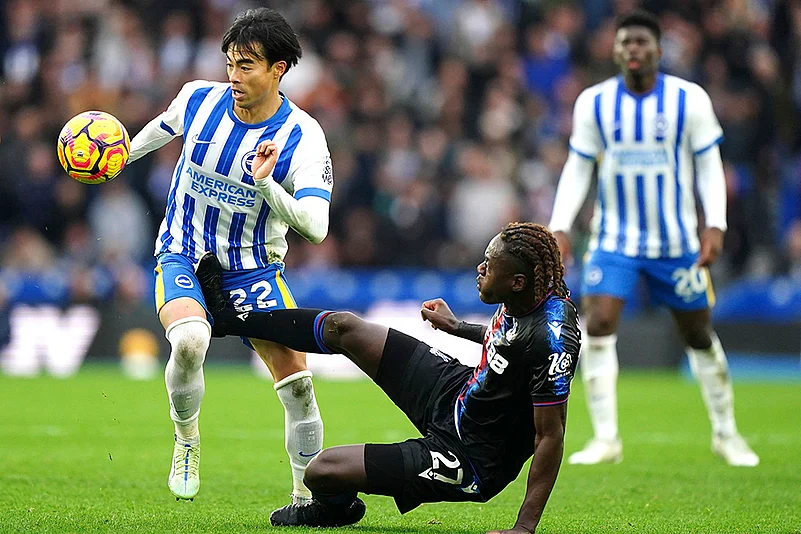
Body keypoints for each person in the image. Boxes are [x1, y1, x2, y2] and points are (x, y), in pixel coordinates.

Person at [194, 221, 581, 532]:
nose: (480, 269)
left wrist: (524, 528)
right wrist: (457, 327)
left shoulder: (553, 338)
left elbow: (550, 435)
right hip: (456, 391)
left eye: (489, 265)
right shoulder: (524, 296)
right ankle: (227, 319)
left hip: (470, 455)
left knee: (322, 471)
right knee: (348, 328)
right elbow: (507, 342)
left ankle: (334, 511)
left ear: (517, 282)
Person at [126, 8, 333, 503]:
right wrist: (121, 156)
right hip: (183, 249)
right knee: (191, 341)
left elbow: (317, 228)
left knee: (300, 386)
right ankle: (187, 439)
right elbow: (162, 128)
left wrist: (267, 187)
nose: (233, 77)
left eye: (247, 67)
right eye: (230, 64)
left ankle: (305, 496)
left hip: (254, 267)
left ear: (278, 68)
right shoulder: (199, 98)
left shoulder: (303, 137)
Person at [548, 10, 758, 467]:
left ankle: (727, 433)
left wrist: (715, 225)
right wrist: (560, 224)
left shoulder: (690, 100)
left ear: (659, 50)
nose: (634, 49)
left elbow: (708, 167)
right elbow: (578, 166)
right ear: (616, 50)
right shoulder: (594, 103)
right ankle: (606, 439)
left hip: (677, 242)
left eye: (642, 41)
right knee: (598, 323)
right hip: (614, 239)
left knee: (698, 332)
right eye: (626, 42)